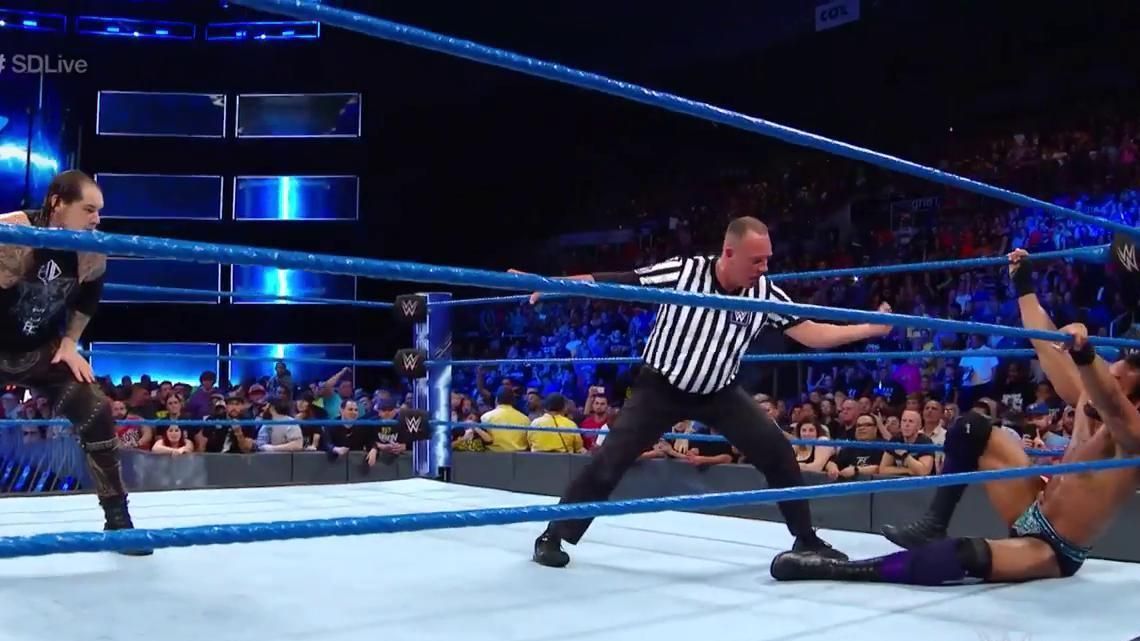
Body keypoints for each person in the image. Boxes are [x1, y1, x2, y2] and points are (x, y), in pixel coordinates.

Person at [512, 216, 895, 567]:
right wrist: (551, 285)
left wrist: (869, 328)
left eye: (767, 260)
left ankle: (806, 538)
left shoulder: (763, 292)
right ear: (729, 253)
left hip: (719, 391)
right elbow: (616, 280)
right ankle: (553, 535)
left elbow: (811, 333)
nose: (764, 268)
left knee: (778, 452)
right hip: (661, 386)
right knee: (609, 460)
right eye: (756, 260)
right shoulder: (685, 271)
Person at [769, 242, 1140, 585]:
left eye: (1129, 367)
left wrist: (1085, 354)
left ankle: (836, 570)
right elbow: (1045, 342)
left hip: (1053, 548)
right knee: (971, 426)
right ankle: (934, 523)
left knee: (966, 555)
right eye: (1121, 359)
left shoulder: (1130, 435)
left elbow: (1116, 409)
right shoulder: (1087, 393)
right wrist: (1023, 283)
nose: (1117, 367)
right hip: (1032, 505)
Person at [0, 169, 150, 555]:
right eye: (88, 209)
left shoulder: (91, 248)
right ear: (57, 204)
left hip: (41, 351)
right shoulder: (12, 232)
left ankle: (118, 520)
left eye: (99, 211)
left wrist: (69, 343)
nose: (96, 219)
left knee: (95, 408)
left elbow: (89, 298)